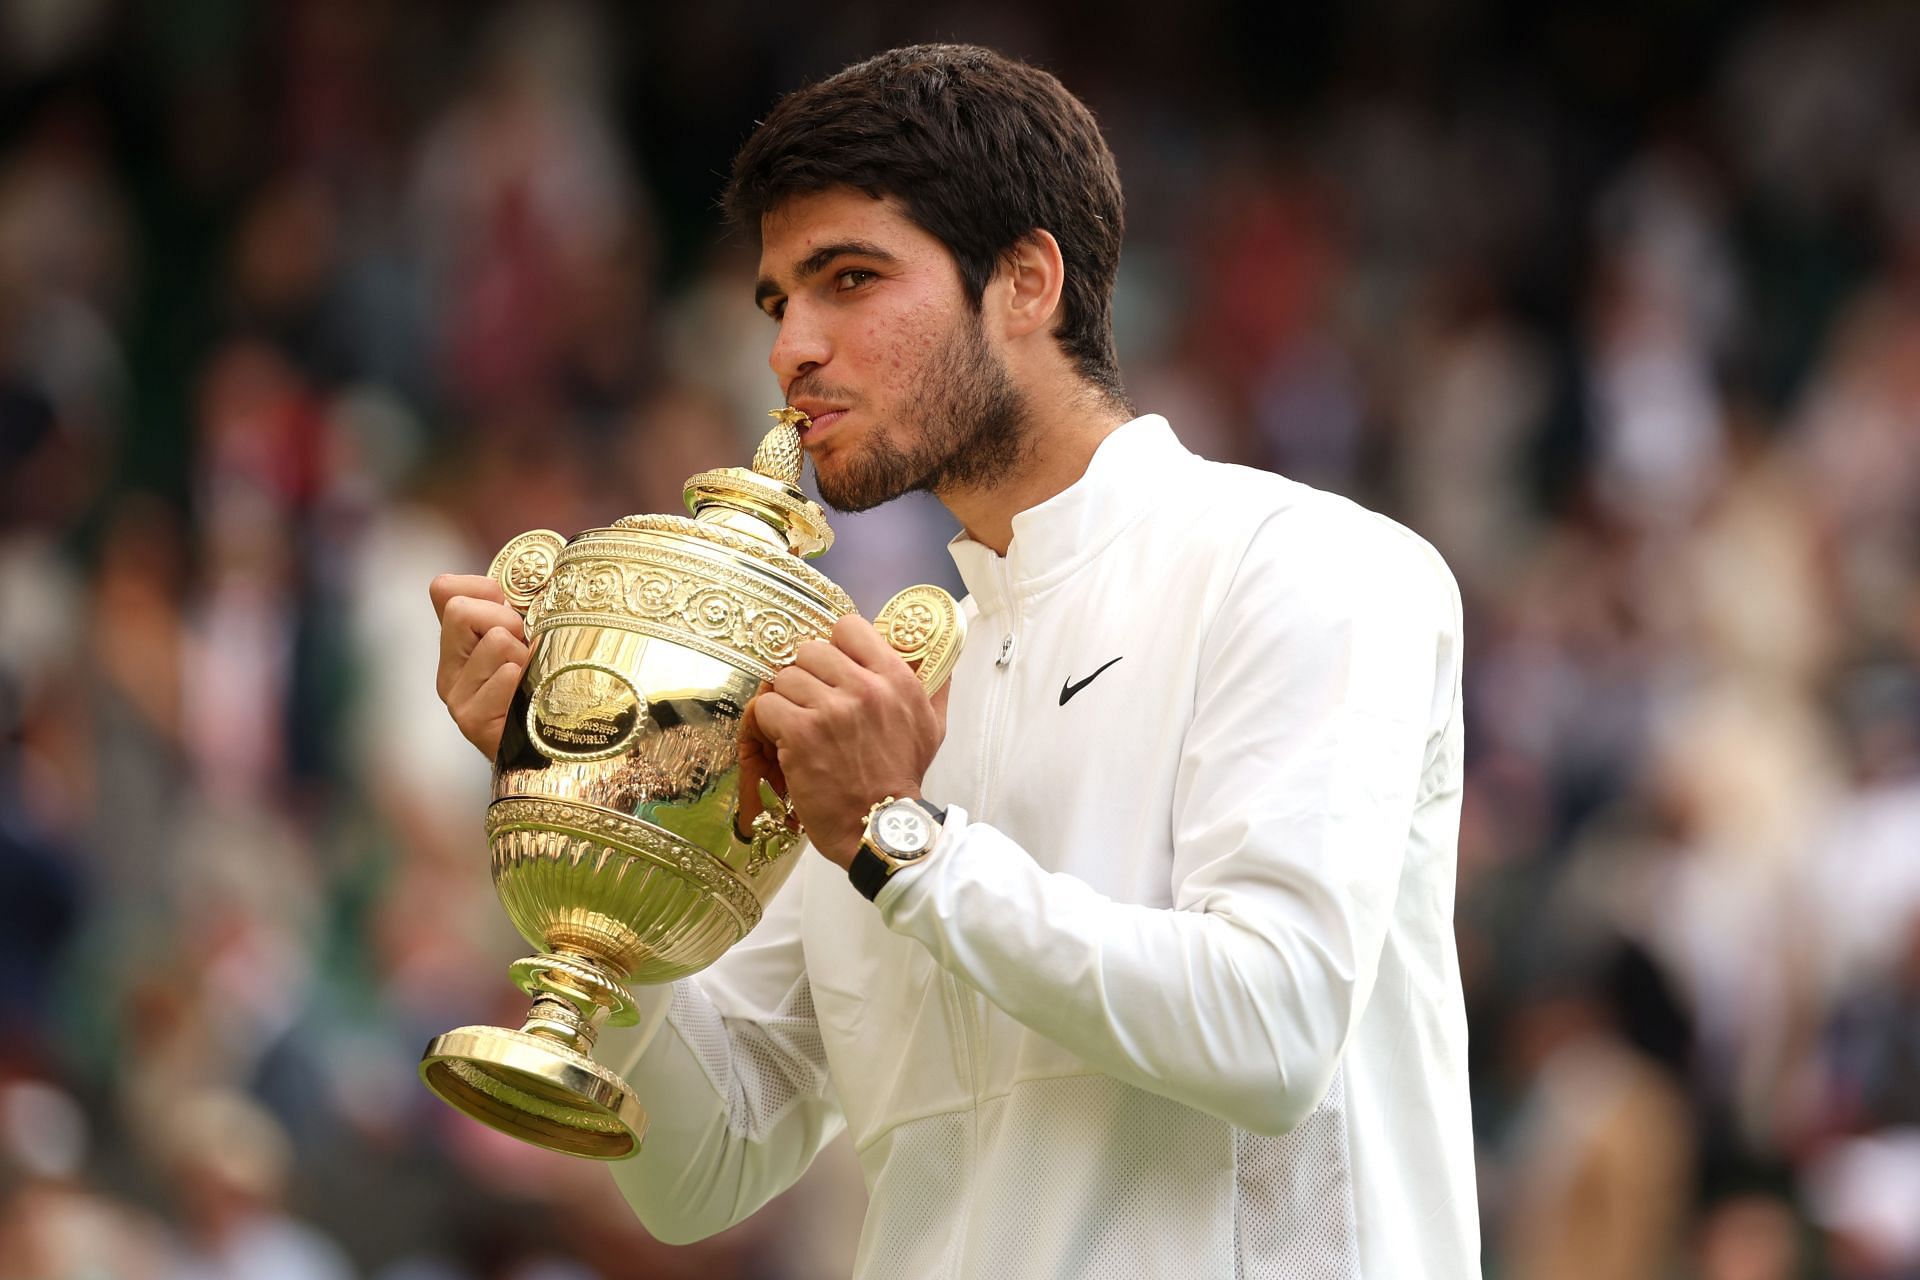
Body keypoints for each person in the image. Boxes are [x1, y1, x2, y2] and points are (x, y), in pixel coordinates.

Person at [431, 44, 1477, 1278]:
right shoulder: (898, 690)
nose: (791, 349)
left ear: (1027, 281)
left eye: (850, 277)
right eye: (778, 301)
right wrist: (604, 830)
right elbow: (701, 1166)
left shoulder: (1308, 565)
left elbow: (1275, 1025)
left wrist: (901, 839)